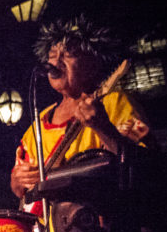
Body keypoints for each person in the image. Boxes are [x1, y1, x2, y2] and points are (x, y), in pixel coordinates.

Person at [10, 16, 150, 208]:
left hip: (94, 228)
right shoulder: (40, 120)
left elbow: (143, 167)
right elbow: (21, 189)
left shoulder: (113, 103)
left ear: (92, 65)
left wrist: (104, 128)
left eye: (69, 54)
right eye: (52, 53)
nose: (56, 61)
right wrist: (17, 182)